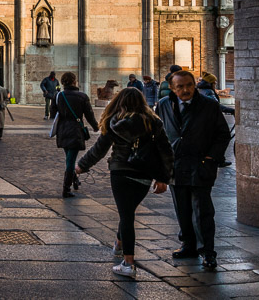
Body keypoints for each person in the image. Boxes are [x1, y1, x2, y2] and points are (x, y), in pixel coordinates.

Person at [76, 87, 174, 280]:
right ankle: (120, 243)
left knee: (126, 215)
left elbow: (99, 149)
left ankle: (128, 263)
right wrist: (164, 178)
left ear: (119, 102)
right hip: (144, 174)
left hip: (120, 172)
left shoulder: (115, 123)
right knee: (127, 211)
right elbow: (166, 151)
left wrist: (81, 166)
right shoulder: (153, 122)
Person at [157, 69, 232, 271]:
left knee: (202, 212)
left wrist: (211, 158)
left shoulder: (208, 106)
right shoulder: (164, 105)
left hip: (200, 166)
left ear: (195, 85)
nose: (185, 90)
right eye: (180, 86)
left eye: (189, 85)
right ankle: (188, 245)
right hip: (175, 166)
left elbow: (222, 134)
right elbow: (158, 134)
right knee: (182, 210)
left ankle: (207, 251)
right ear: (172, 89)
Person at [50, 71, 99, 196]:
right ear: (74, 81)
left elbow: (52, 113)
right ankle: (66, 188)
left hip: (62, 130)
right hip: (75, 130)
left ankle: (74, 180)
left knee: (69, 158)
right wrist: (95, 126)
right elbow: (89, 115)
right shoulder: (82, 96)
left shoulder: (58, 96)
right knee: (70, 161)